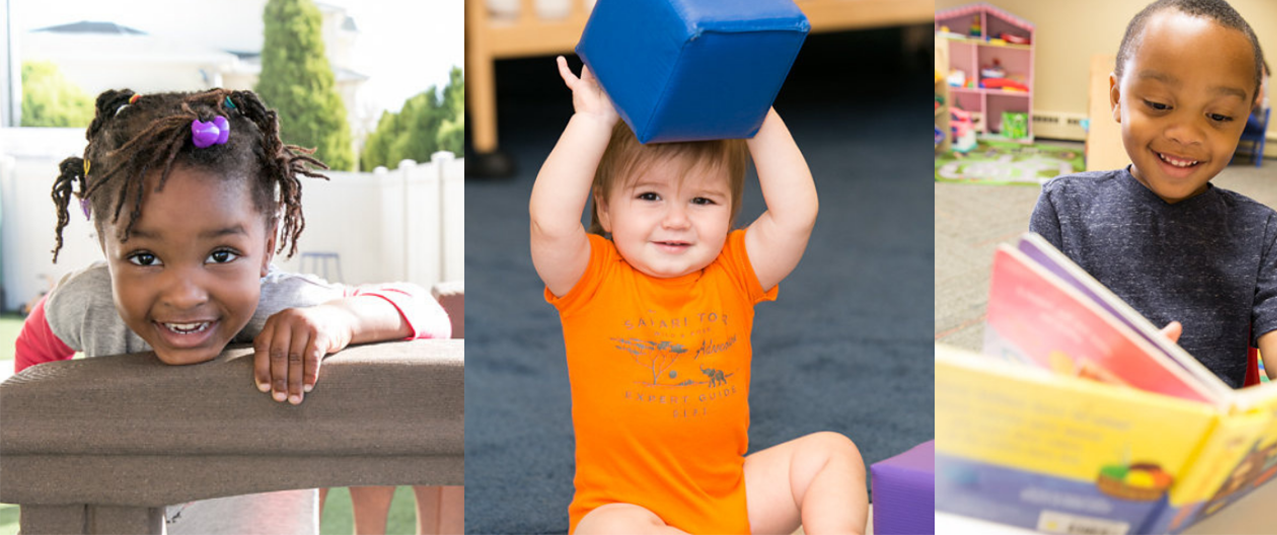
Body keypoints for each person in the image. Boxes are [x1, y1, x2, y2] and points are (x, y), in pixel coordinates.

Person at [15, 88, 453, 534]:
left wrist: (336, 320)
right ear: (105, 249)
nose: (184, 294)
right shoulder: (91, 301)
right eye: (145, 258)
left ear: (266, 248)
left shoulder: (288, 308)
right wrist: (46, 426)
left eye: (221, 255)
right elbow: (35, 343)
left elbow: (431, 315)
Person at [530, 56, 867, 534]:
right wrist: (591, 122)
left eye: (702, 200)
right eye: (650, 196)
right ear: (604, 207)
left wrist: (754, 112)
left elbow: (797, 215)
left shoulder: (734, 267)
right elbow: (549, 222)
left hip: (729, 498)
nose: (676, 220)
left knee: (833, 454)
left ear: (730, 210)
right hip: (624, 507)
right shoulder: (590, 277)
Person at [1029, 0, 1277, 433]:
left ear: (1244, 120)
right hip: (1088, 424)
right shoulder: (1065, 206)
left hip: (1212, 442)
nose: (1186, 134)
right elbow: (1033, 338)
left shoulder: (1260, 231)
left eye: (1219, 116)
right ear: (1116, 97)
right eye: (1158, 104)